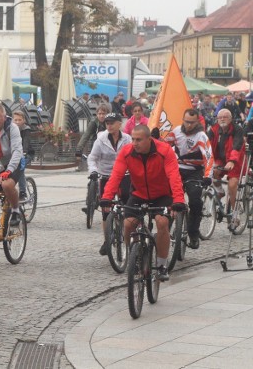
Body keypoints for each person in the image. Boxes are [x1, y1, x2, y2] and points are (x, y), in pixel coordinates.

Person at [100, 125, 186, 282]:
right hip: (139, 194)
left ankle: (161, 265)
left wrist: (178, 200)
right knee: (128, 225)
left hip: (162, 195)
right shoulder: (126, 152)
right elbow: (116, 176)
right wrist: (106, 197)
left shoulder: (164, 151)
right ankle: (135, 255)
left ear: (149, 139)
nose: (134, 143)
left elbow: (174, 176)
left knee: (161, 223)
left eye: (139, 140)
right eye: (133, 139)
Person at [164, 108, 213, 250]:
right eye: (186, 121)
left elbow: (209, 158)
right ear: (183, 119)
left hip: (194, 172)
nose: (189, 125)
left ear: (197, 121)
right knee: (169, 198)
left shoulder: (201, 136)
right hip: (177, 169)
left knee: (195, 201)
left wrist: (207, 177)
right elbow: (164, 145)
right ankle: (166, 228)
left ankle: (193, 233)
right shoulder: (176, 131)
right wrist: (156, 139)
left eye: (192, 122)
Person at [86, 113, 132, 255]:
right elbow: (92, 158)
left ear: (120, 124)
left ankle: (130, 239)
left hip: (124, 175)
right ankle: (107, 240)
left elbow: (133, 156)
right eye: (107, 123)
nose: (109, 125)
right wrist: (93, 171)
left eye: (112, 123)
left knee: (128, 206)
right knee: (106, 210)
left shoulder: (127, 139)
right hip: (105, 174)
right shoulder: (100, 139)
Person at [208, 109, 246, 229]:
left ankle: (235, 214)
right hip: (220, 160)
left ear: (230, 119)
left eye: (225, 117)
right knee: (213, 175)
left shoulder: (237, 129)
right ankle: (219, 191)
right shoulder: (213, 130)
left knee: (232, 184)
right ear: (217, 119)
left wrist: (232, 161)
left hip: (236, 161)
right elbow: (206, 144)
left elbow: (237, 145)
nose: (223, 119)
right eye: (220, 117)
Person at [12, 110, 33, 200]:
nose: (17, 122)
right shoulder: (10, 129)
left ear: (23, 120)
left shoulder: (26, 129)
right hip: (13, 154)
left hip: (27, 154)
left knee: (20, 167)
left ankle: (23, 192)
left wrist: (24, 152)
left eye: (19, 120)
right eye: (15, 120)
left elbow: (26, 142)